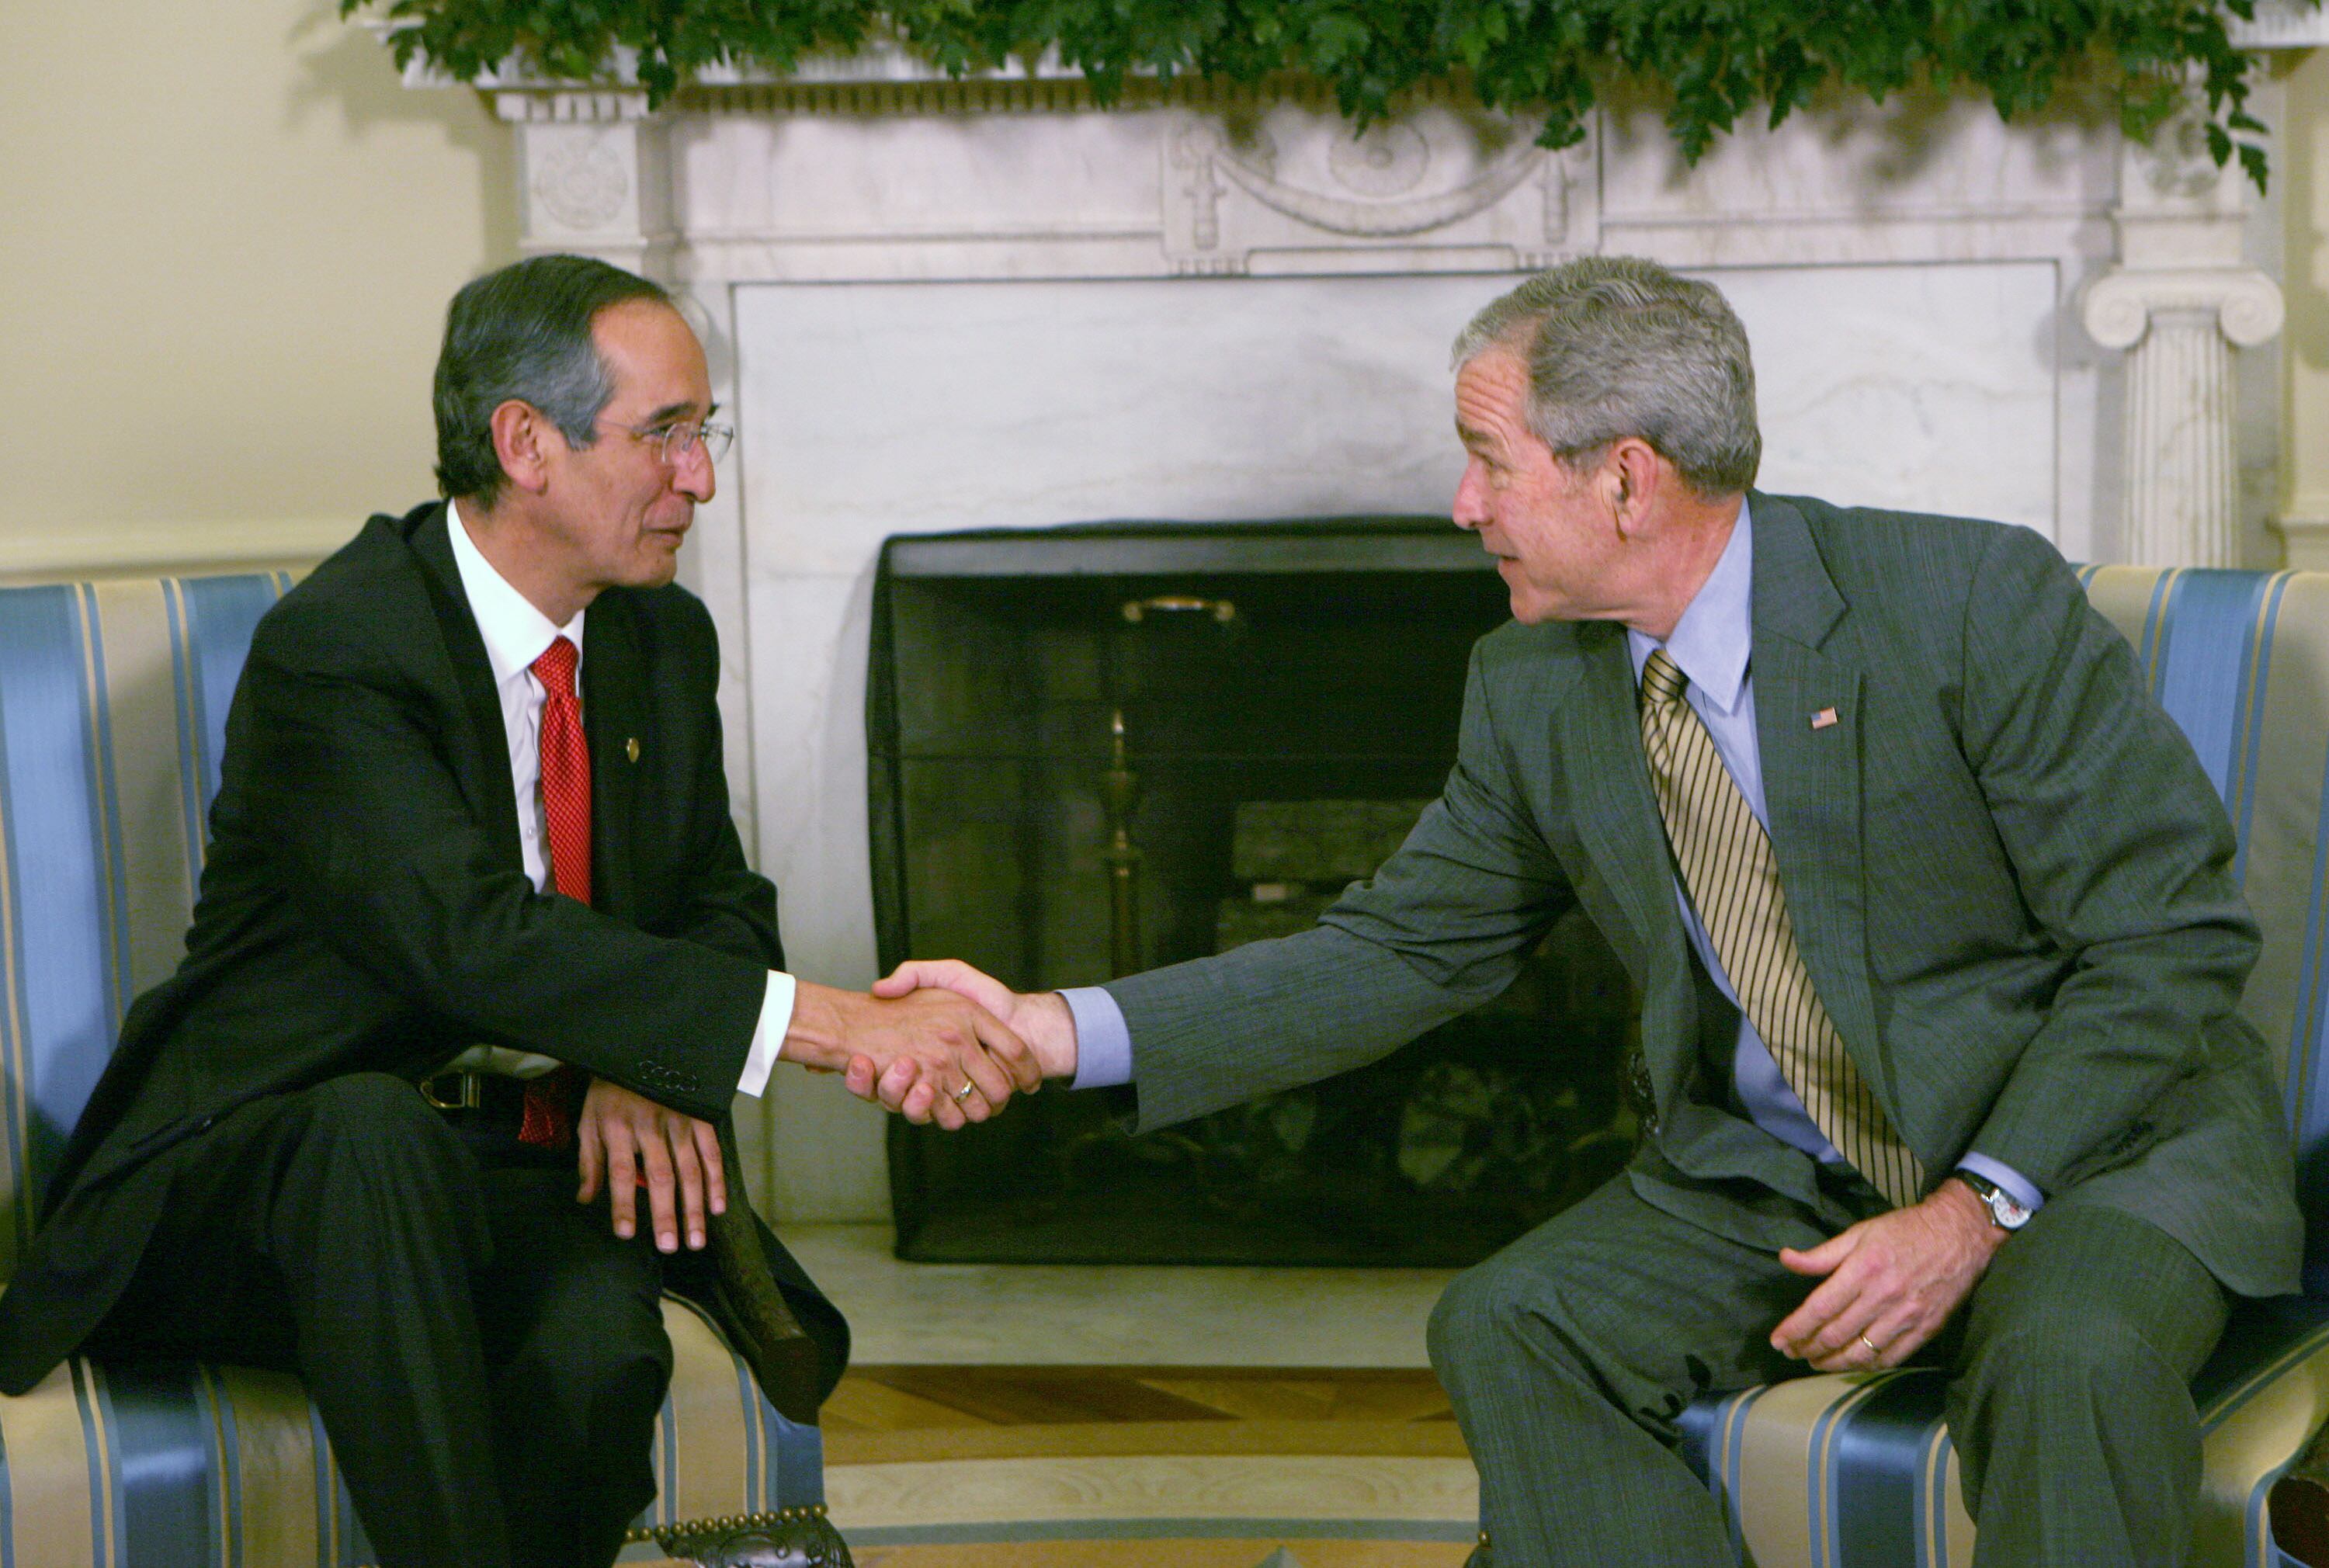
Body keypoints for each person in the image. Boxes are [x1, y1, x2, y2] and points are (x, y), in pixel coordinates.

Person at [866, 256, 2303, 1566]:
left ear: (1626, 479)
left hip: (2094, 1153)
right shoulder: (1533, 683)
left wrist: (1976, 1206)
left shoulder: (1967, 601)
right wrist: (1054, 1030)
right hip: (1785, 1179)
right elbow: (1400, 947)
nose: (1462, 504)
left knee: (2072, 1357)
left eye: (1486, 459)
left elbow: (2164, 942)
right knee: (1511, 1324)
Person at [0, 253, 1036, 1568]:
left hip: (521, 1161)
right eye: (665, 434)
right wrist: (835, 1027)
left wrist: (643, 1056)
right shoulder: (345, 647)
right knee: (368, 1137)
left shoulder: (662, 639)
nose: (701, 479)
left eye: (701, 432)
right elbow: (468, 940)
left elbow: (720, 906)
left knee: (601, 1356)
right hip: (264, 1173)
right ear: (525, 444)